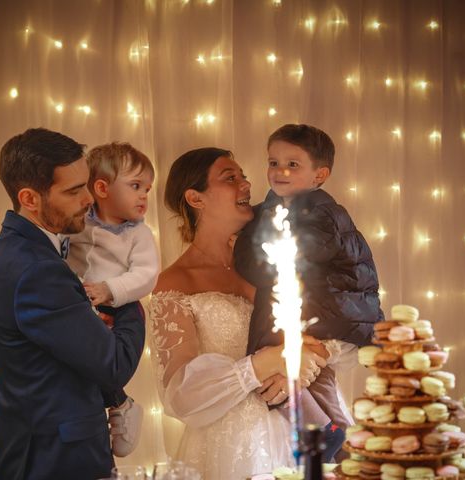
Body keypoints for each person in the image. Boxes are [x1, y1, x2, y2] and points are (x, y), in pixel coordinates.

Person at [149, 147, 326, 479]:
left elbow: (319, 326)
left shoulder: (268, 262)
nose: (245, 184)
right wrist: (261, 365)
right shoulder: (174, 282)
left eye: (243, 176)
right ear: (195, 198)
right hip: (226, 450)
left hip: (291, 437)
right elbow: (181, 396)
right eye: (230, 177)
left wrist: (305, 361)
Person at [0, 128, 145, 479]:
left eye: (86, 184)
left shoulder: (19, 247)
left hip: (41, 449)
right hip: (55, 460)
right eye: (73, 191)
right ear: (29, 198)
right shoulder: (37, 268)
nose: (89, 199)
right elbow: (114, 364)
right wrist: (127, 296)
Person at [233, 124, 384, 458]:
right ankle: (339, 434)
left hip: (334, 309)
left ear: (320, 175)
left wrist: (245, 245)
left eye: (293, 164)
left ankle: (320, 432)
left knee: (268, 362)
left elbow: (279, 261)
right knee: (312, 378)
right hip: (329, 307)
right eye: (273, 162)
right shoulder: (282, 209)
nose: (280, 171)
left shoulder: (320, 213)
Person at [67, 142, 160, 457]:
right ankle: (120, 403)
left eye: (147, 188)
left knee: (109, 364)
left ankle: (119, 401)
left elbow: (147, 274)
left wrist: (110, 290)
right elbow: (62, 259)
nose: (144, 195)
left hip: (124, 309)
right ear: (102, 188)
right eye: (135, 186)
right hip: (85, 306)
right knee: (81, 358)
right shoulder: (79, 224)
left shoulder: (138, 235)